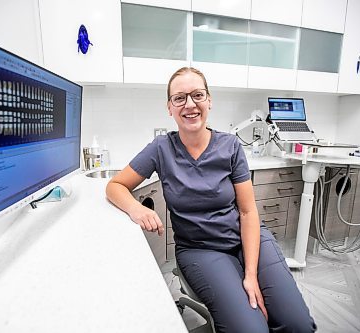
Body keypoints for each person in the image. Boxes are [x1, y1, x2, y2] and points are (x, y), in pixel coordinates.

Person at [106, 67, 317, 333]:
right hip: (200, 250)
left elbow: (248, 212)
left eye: (197, 95)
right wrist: (136, 208)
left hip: (248, 239)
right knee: (251, 330)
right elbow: (115, 186)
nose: (190, 104)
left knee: (298, 325)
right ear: (169, 107)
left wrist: (250, 275)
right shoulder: (160, 149)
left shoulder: (230, 146)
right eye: (179, 98)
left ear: (209, 100)